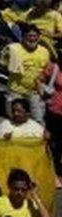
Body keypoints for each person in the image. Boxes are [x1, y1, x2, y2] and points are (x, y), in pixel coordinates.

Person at [2, 23, 51, 123]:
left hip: (35, 92)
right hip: (16, 90)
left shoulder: (45, 51)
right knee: (13, 119)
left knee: (38, 120)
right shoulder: (14, 49)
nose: (32, 39)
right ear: (23, 37)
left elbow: (48, 70)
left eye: (35, 36)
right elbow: (3, 64)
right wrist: (8, 55)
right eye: (29, 36)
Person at [41, 55, 62, 187]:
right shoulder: (54, 68)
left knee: (60, 144)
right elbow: (39, 80)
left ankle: (57, 172)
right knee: (50, 141)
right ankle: (53, 172)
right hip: (54, 111)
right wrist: (43, 95)